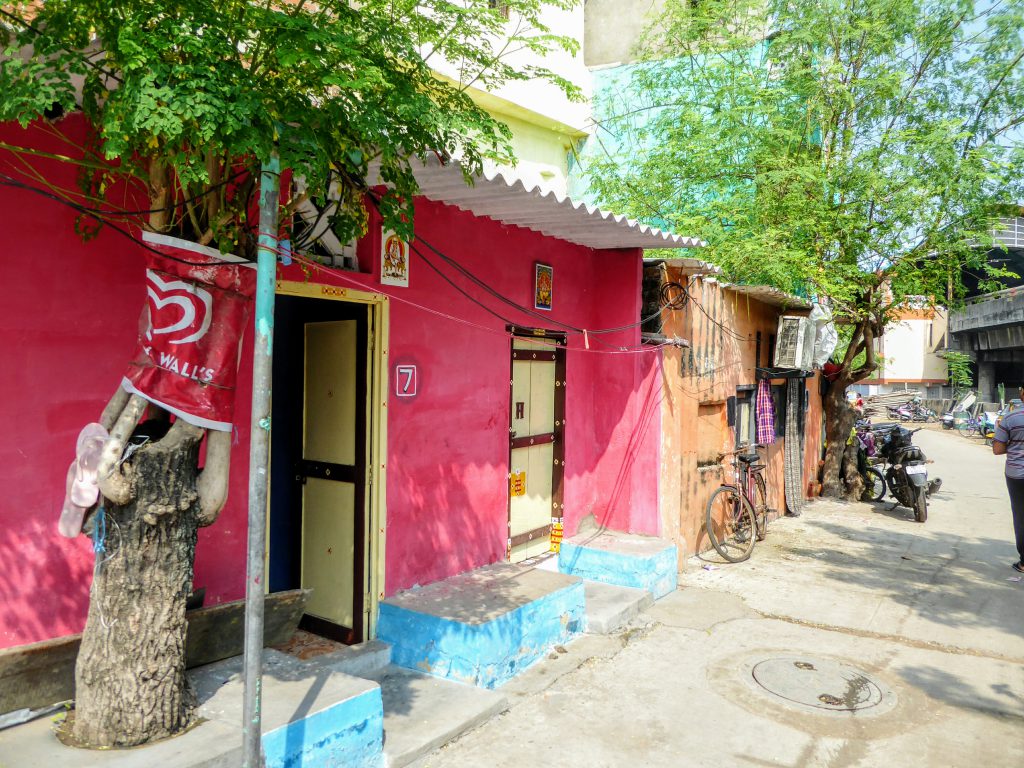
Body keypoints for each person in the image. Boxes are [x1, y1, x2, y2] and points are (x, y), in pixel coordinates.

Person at [992, 386, 1024, 573]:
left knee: (1021, 517)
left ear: (1021, 394)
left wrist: (1012, 447)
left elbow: (997, 449)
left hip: (1017, 475)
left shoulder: (1011, 418)